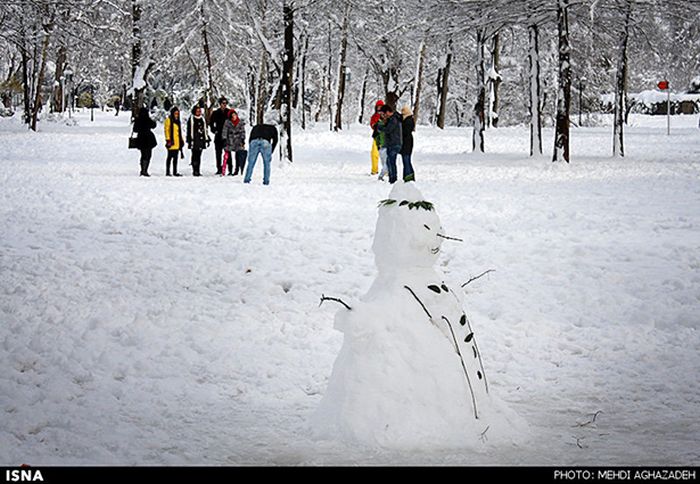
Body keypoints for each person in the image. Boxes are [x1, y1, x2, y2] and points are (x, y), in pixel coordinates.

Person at [244, 113, 278, 185]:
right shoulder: (273, 128)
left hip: (254, 141)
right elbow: (275, 140)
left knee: (251, 162)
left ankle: (247, 179)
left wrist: (250, 147)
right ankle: (266, 181)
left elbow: (250, 138)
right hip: (265, 142)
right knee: (266, 163)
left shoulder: (257, 126)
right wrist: (271, 151)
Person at [378, 104, 402, 184]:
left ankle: (393, 179)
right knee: (389, 161)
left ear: (388, 112)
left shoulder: (393, 119)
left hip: (394, 143)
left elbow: (388, 130)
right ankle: (392, 178)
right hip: (392, 143)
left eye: (384, 114)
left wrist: (381, 128)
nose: (384, 116)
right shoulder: (392, 119)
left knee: (391, 161)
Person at [186, 105, 210, 177]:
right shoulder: (191, 119)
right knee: (194, 155)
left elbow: (205, 129)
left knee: (199, 155)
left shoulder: (202, 119)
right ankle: (194, 170)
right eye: (197, 111)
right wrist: (190, 140)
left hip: (201, 139)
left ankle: (198, 170)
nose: (199, 112)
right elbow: (189, 130)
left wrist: (207, 139)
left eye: (200, 111)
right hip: (194, 140)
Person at [222, 109, 247, 176]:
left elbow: (243, 131)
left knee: (238, 155)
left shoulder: (240, 122)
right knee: (228, 156)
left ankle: (237, 169)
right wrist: (224, 139)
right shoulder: (227, 122)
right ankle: (230, 169)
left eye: (235, 115)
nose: (234, 117)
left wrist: (243, 139)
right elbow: (224, 131)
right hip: (229, 140)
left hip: (238, 140)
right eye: (232, 115)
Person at [209, 97, 230, 175]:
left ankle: (229, 168)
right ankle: (219, 168)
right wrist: (214, 130)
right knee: (218, 153)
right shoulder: (216, 113)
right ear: (220, 104)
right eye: (223, 103)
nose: (224, 105)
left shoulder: (229, 112)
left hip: (227, 136)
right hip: (218, 136)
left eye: (225, 103)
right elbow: (211, 123)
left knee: (228, 153)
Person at [133, 107, 157, 177]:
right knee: (148, 155)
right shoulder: (147, 119)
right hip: (148, 139)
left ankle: (143, 169)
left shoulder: (138, 120)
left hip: (140, 139)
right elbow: (153, 125)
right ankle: (145, 170)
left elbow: (135, 130)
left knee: (143, 155)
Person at [164, 106, 184, 176]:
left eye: (177, 114)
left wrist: (181, 140)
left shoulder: (178, 121)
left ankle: (175, 171)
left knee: (176, 157)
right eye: (175, 113)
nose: (176, 115)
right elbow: (166, 130)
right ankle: (168, 171)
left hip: (177, 142)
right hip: (171, 142)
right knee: (169, 157)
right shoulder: (168, 120)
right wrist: (168, 139)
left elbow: (179, 132)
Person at [399, 105, 415, 182]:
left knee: (406, 160)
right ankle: (408, 176)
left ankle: (409, 176)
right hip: (407, 142)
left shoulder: (408, 120)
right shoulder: (409, 119)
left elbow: (405, 131)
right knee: (406, 160)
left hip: (406, 143)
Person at [369, 100, 384, 175]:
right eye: (378, 106)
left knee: (384, 154)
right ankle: (374, 170)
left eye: (381, 106)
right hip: (376, 136)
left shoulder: (385, 115)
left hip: (384, 137)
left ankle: (386, 170)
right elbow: (372, 124)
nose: (379, 108)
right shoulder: (374, 116)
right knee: (374, 153)